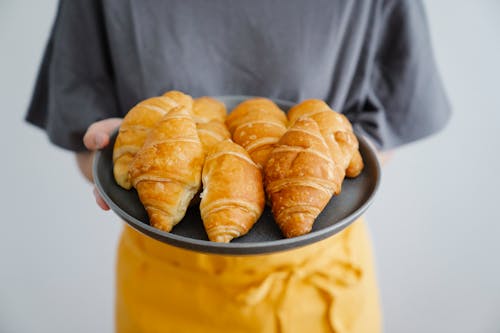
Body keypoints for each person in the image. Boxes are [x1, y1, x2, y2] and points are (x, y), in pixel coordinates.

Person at [26, 0, 450, 332]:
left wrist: (326, 162)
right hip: (164, 290)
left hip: (318, 289)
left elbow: (380, 134)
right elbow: (89, 146)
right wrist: (125, 149)